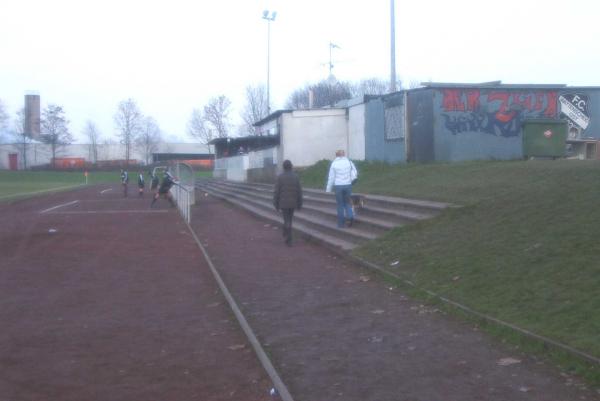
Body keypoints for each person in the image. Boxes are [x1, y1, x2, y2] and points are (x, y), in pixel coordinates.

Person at [325, 149, 358, 228]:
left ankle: (341, 224)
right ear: (344, 155)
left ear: (336, 155)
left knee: (340, 205)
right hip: (348, 185)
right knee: (347, 203)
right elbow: (355, 172)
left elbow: (331, 178)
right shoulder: (349, 162)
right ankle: (350, 216)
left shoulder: (334, 164)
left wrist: (328, 189)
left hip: (338, 186)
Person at [273, 160, 303, 246]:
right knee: (290, 219)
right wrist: (300, 203)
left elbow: (277, 191)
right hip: (293, 202)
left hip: (283, 202)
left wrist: (275, 203)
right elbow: (299, 191)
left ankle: (288, 237)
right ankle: (287, 233)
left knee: (286, 219)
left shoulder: (280, 177)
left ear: (284, 167)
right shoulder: (296, 177)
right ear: (291, 166)